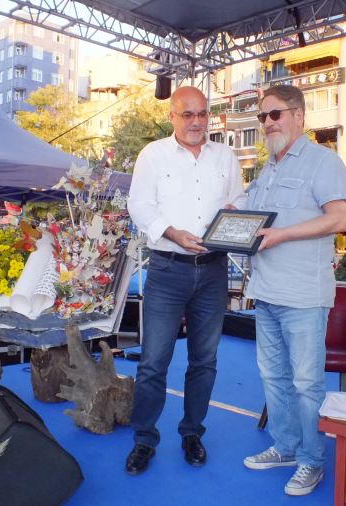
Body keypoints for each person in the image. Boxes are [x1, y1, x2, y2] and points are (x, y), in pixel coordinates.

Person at [125, 86, 245, 475]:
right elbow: (138, 205)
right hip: (166, 269)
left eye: (202, 114)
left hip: (214, 270)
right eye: (187, 114)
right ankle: (144, 439)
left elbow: (241, 201)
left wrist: (235, 211)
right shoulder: (152, 155)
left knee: (204, 361)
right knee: (152, 362)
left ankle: (192, 433)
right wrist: (173, 233)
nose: (196, 122)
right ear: (172, 117)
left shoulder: (226, 156)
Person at [241, 85, 346, 496]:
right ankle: (285, 446)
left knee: (306, 384)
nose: (268, 123)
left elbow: (339, 218)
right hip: (266, 292)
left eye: (276, 114)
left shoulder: (323, 161)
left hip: (303, 296)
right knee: (274, 377)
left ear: (299, 116)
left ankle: (311, 461)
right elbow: (250, 223)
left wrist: (283, 234)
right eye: (263, 117)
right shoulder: (266, 170)